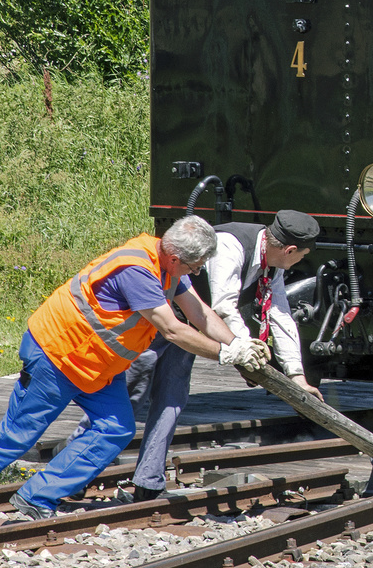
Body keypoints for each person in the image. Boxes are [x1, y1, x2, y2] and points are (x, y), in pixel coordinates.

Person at [0, 217, 265, 533]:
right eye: (195, 267)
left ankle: (38, 496)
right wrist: (225, 354)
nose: (198, 272)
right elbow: (174, 329)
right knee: (16, 436)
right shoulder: (137, 269)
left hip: (97, 366)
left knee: (116, 428)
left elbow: (199, 311)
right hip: (58, 357)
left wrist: (239, 342)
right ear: (176, 257)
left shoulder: (168, 265)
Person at [113, 211, 323, 502]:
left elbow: (280, 314)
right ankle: (81, 464)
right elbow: (223, 305)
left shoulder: (272, 262)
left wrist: (297, 375)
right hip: (156, 321)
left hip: (191, 332)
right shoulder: (230, 245)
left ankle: (149, 481)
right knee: (128, 396)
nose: (301, 261)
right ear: (289, 250)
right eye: (302, 256)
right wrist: (241, 347)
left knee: (172, 401)